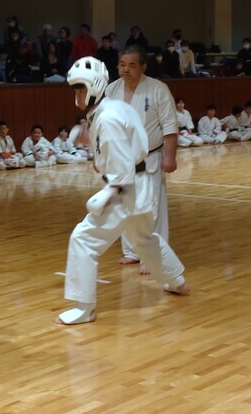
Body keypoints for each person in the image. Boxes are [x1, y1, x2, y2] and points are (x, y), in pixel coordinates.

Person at [55, 56, 189, 325]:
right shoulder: (112, 108)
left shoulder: (107, 118)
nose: (77, 95)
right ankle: (176, 281)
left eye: (80, 89)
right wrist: (90, 138)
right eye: (75, 90)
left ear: (94, 88)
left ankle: (84, 308)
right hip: (140, 185)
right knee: (144, 239)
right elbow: (126, 142)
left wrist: (111, 191)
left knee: (83, 239)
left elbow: (121, 160)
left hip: (125, 188)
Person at [105, 45, 178, 271]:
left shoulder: (158, 89)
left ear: (143, 67)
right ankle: (131, 251)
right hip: (121, 158)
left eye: (131, 65)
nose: (125, 70)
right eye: (122, 65)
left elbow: (170, 126)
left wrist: (170, 157)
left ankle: (153, 256)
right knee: (125, 205)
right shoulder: (111, 90)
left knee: (150, 208)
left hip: (151, 156)